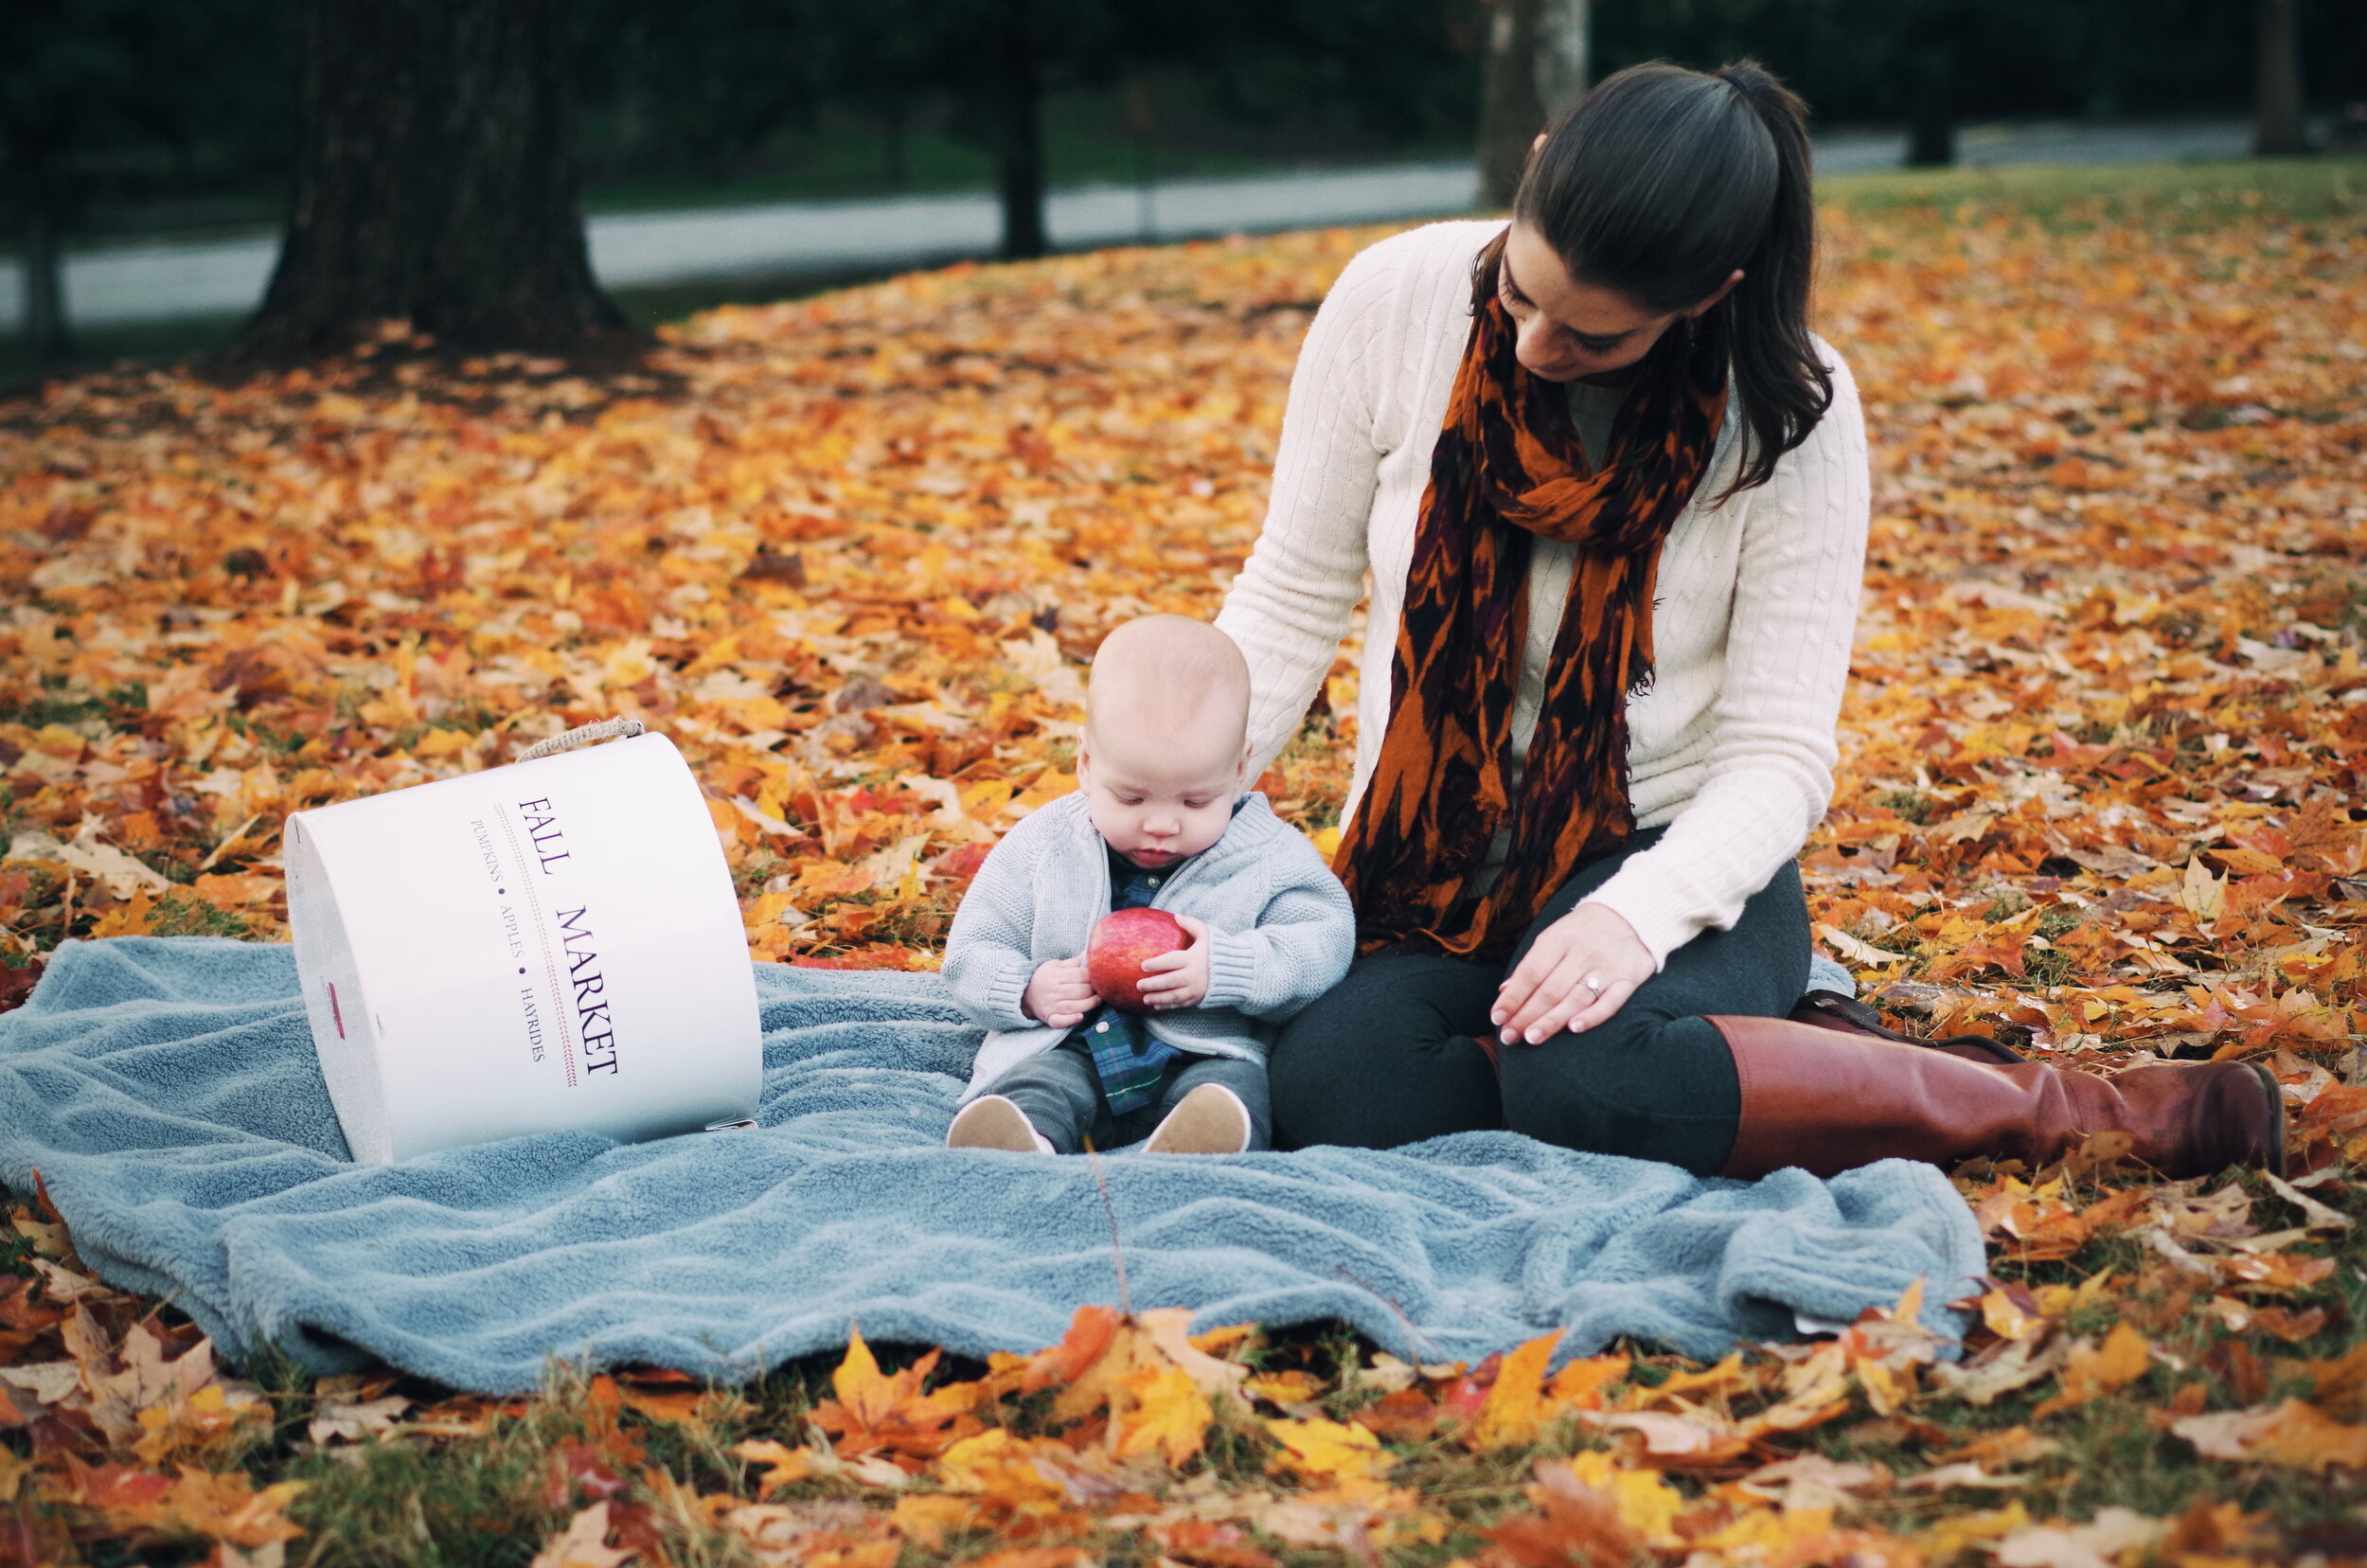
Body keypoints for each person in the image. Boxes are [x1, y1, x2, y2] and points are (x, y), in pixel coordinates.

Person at [1213, 61, 2282, 1179]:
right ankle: (1767, 1062)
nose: (1534, 349)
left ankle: (2066, 1110)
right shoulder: (1394, 300)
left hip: (1669, 846)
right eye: (1520, 298)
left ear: (1705, 295)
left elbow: (1777, 755)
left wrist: (1634, 920)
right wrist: (1151, 807)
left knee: (1584, 1073)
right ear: (1534, 169)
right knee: (1337, 1089)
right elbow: (1292, 591)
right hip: (1438, 859)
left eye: (1594, 338)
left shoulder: (1790, 413)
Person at [941, 615, 1356, 1156]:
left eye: (1195, 802)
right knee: (1040, 1084)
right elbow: (972, 947)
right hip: (1071, 1047)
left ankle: (1202, 1140)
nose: (1161, 825)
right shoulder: (1044, 843)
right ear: (1086, 764)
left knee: (1233, 1090)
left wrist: (1230, 968)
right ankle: (1023, 1137)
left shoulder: (1270, 856)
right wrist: (1025, 989)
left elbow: (1324, 943)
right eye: (1131, 798)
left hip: (1206, 1053)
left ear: (1238, 770)